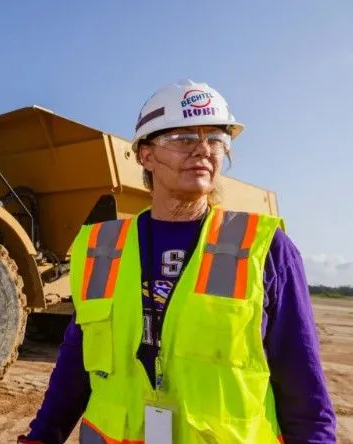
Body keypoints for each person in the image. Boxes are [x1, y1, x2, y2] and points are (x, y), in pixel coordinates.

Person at [17, 79, 337, 443]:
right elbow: (77, 361)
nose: (203, 150)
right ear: (146, 155)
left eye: (216, 139)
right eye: (184, 138)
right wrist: (42, 435)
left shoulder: (265, 249)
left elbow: (304, 389)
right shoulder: (102, 248)